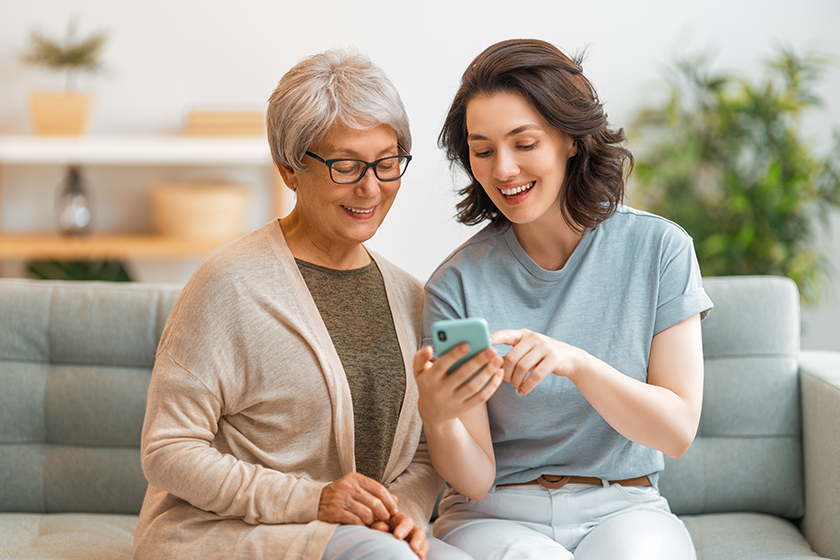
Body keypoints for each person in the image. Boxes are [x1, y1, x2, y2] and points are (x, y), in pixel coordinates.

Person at [133, 48, 472, 560]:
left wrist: (399, 511)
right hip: (225, 531)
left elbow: (422, 452)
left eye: (386, 163)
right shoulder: (228, 282)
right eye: (345, 166)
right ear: (290, 169)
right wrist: (314, 500)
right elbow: (168, 451)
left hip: (364, 537)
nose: (370, 186)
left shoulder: (411, 295)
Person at [412, 38, 714, 560]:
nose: (502, 169)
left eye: (523, 143)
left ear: (571, 140)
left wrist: (574, 362)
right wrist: (438, 417)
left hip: (624, 507)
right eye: (483, 151)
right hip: (494, 516)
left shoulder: (660, 249)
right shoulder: (456, 283)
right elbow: (477, 478)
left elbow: (677, 429)